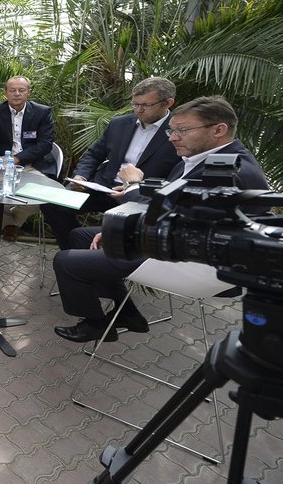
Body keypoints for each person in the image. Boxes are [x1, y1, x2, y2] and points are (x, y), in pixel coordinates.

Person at [52, 96, 269, 343]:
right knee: (79, 236)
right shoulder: (208, 158)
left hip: (194, 260)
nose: (172, 137)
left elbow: (172, 218)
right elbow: (178, 207)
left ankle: (96, 324)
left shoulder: (228, 171)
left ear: (219, 130)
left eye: (183, 130)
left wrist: (133, 185)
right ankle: (128, 313)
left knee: (65, 261)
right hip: (179, 237)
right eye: (172, 130)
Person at [42, 77, 180, 249]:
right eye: (135, 104)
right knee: (53, 205)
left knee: (119, 226)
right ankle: (76, 252)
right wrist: (81, 176)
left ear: (167, 103)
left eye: (145, 105)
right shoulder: (119, 123)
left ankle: (89, 259)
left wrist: (135, 187)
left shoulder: (179, 131)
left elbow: (179, 175)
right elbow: (94, 154)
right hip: (103, 188)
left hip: (140, 196)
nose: (139, 110)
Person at [0, 75, 56, 240]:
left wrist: (17, 159)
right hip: (2, 164)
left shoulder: (42, 112)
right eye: (12, 90)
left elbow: (45, 144)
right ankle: (9, 225)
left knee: (43, 196)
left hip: (33, 164)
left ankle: (11, 222)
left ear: (28, 92)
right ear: (5, 92)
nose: (17, 94)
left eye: (21, 90)